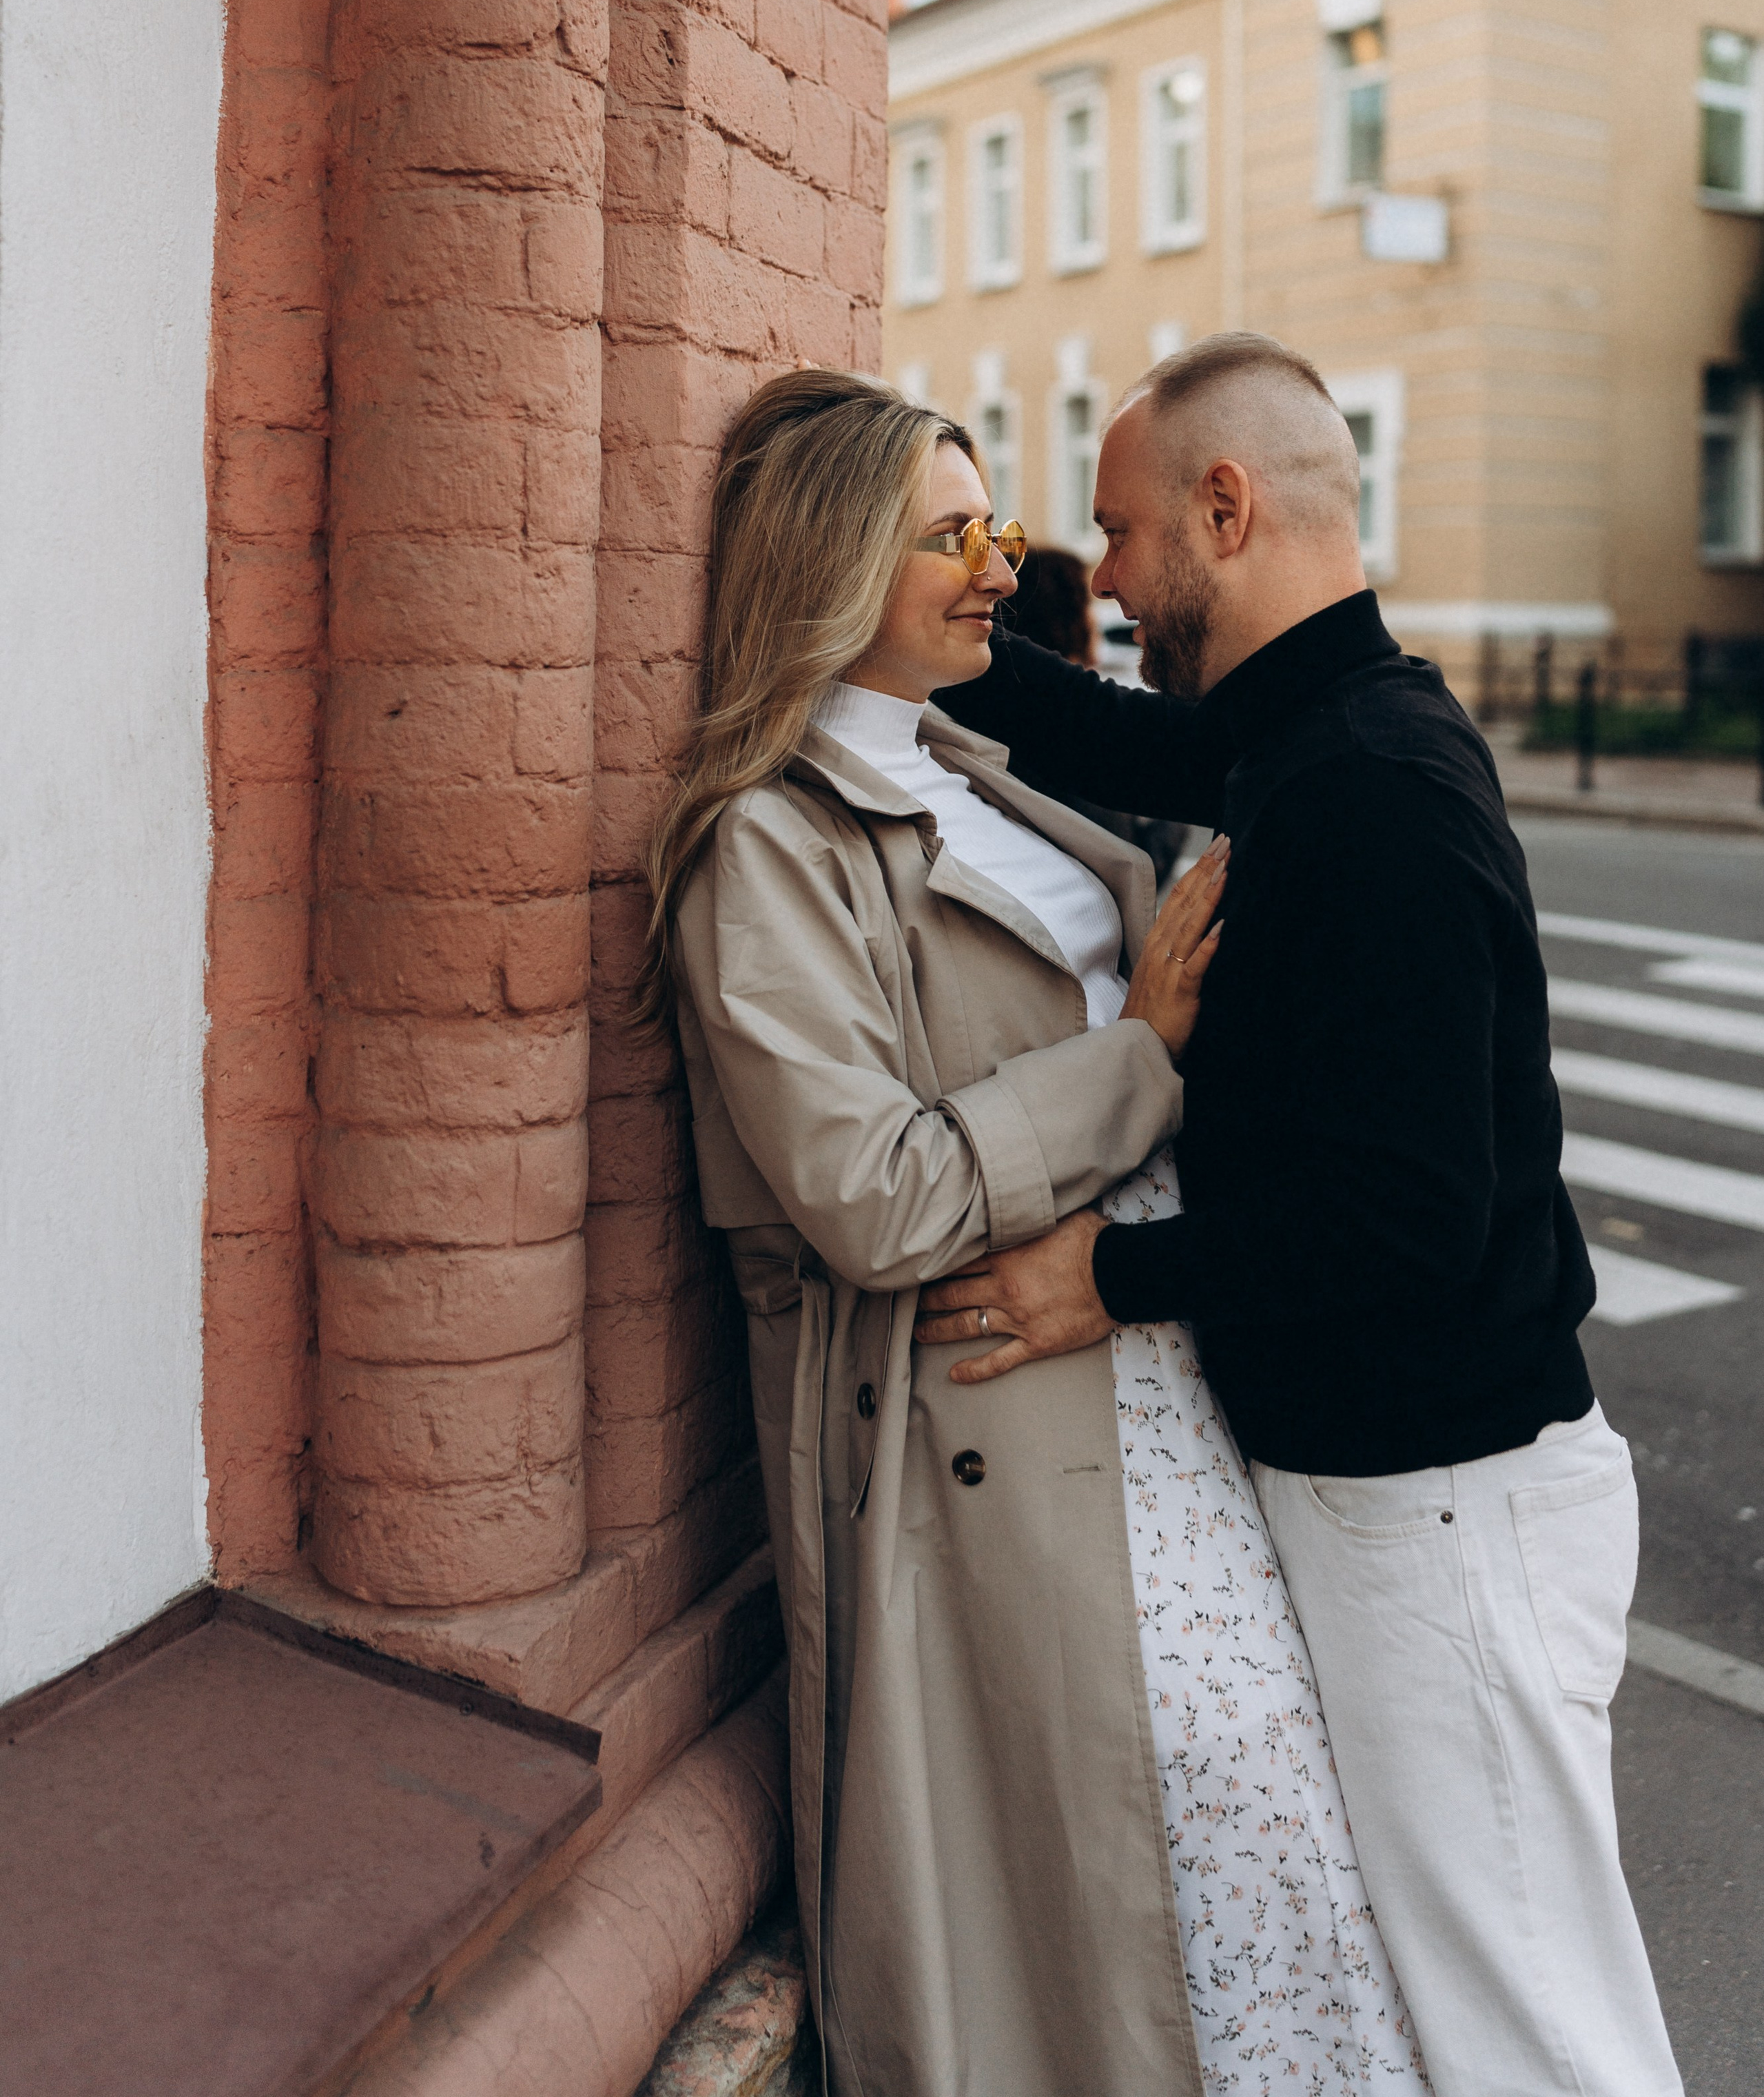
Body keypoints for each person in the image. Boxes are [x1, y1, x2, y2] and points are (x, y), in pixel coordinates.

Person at [642, 368, 1430, 2097]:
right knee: (1153, 1896)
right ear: (829, 563)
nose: (1002, 567)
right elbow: (879, 1194)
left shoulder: (974, 763)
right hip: (989, 1432)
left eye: (990, 526)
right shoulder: (764, 849)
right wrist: (1134, 1057)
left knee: (1282, 1862)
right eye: (949, 536)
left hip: (1155, 1384)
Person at [925, 331, 1681, 2097]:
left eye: (1114, 534)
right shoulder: (1319, 732)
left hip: (1447, 1516)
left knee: (1531, 2037)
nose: (1093, 579)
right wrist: (925, 654)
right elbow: (1132, 729)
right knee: (1480, 2010)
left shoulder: (1372, 793)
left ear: (1223, 504)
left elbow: (1405, 1215)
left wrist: (1104, 1273)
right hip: (1414, 1505)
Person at [1005, 544, 1187, 886]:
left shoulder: (1017, 716)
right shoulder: (1065, 730)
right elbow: (1137, 865)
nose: (1095, 616)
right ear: (1066, 615)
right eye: (1086, 604)